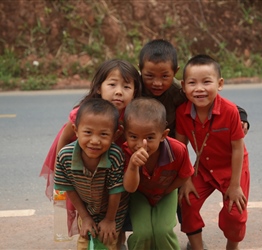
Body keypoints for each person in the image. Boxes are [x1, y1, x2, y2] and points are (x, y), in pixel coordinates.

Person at [40, 59, 141, 236]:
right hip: (85, 164)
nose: (119, 92)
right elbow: (65, 135)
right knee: (89, 196)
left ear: (134, 92)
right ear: (98, 88)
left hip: (115, 164)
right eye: (112, 84)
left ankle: (117, 236)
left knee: (115, 194)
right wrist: (61, 166)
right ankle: (88, 226)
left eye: (126, 87)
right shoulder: (84, 112)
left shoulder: (131, 116)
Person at [175, 54, 250, 250]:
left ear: (220, 84)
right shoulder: (182, 112)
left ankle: (232, 247)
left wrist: (234, 185)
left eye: (206, 82)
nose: (199, 89)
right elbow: (180, 149)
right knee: (187, 202)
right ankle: (197, 247)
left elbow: (237, 148)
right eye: (192, 83)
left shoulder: (230, 111)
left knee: (235, 212)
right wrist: (186, 179)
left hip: (232, 168)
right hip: (202, 167)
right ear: (183, 87)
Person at [54, 98, 129, 250]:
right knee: (84, 244)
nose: (95, 141)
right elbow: (68, 188)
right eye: (88, 132)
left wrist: (109, 220)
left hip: (114, 211)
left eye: (103, 134)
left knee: (108, 243)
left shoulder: (115, 155)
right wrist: (86, 217)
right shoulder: (65, 156)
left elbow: (115, 190)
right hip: (86, 209)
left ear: (115, 135)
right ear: (75, 130)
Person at [122, 97, 194, 250]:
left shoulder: (177, 150)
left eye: (149, 137)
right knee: (143, 233)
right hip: (139, 193)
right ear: (125, 134)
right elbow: (129, 188)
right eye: (133, 137)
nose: (141, 144)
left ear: (163, 135)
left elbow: (185, 174)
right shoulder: (124, 152)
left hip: (166, 192)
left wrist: (166, 190)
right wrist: (133, 166)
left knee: (163, 231)